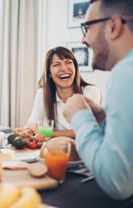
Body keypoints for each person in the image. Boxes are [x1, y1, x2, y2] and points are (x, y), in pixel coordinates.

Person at [63, 0, 133, 200]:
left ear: (113, 26)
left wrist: (80, 116)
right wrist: (102, 117)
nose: (83, 40)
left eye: (87, 28)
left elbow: (117, 183)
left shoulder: (126, 72)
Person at [25, 46, 101, 138]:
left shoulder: (91, 92)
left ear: (75, 68)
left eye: (68, 62)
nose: (64, 68)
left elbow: (87, 130)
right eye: (56, 64)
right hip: (54, 149)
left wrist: (48, 133)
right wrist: (26, 131)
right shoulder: (43, 94)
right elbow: (31, 125)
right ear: (49, 73)